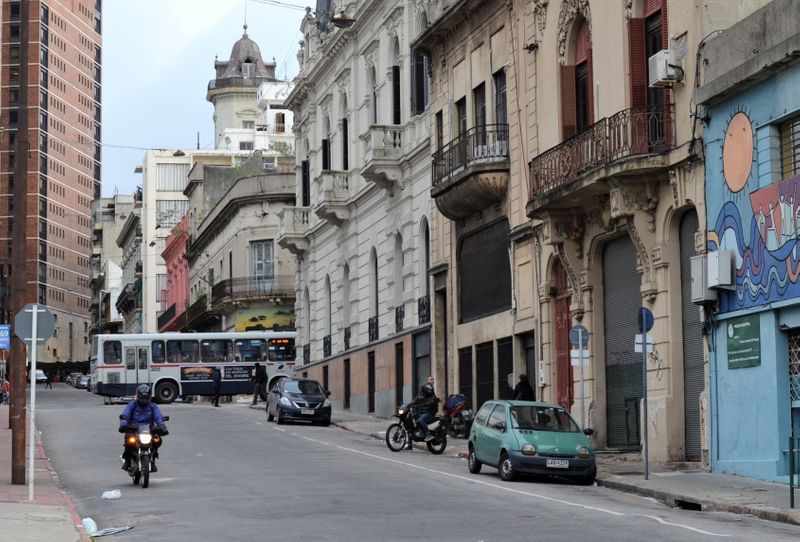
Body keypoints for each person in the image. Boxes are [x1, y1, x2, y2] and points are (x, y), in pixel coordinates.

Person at [119, 384, 167, 472]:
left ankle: (153, 458)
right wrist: (123, 424)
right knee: (129, 439)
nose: (144, 400)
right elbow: (125, 415)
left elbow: (158, 417)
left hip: (149, 429)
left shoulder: (153, 406)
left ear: (149, 397)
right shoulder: (132, 405)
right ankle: (127, 460)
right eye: (142, 398)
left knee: (157, 440)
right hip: (134, 429)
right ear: (138, 396)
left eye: (146, 398)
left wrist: (162, 427)